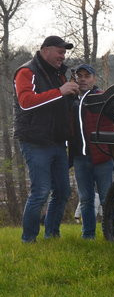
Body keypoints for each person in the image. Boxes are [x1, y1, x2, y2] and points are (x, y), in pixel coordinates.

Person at [13, 35, 79, 243]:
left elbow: (61, 104)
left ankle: (52, 234)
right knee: (40, 191)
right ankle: (29, 239)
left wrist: (72, 94)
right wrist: (60, 91)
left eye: (65, 52)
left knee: (62, 191)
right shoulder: (27, 71)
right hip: (35, 141)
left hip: (58, 141)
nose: (63, 56)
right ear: (45, 50)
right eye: (60, 51)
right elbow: (26, 102)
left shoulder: (59, 73)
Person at [71, 63, 114, 239]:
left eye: (87, 76)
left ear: (94, 79)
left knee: (106, 198)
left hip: (102, 156)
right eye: (79, 76)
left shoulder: (101, 97)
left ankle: (110, 234)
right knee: (86, 199)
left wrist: (110, 106)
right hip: (80, 158)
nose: (83, 79)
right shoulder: (71, 100)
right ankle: (88, 235)